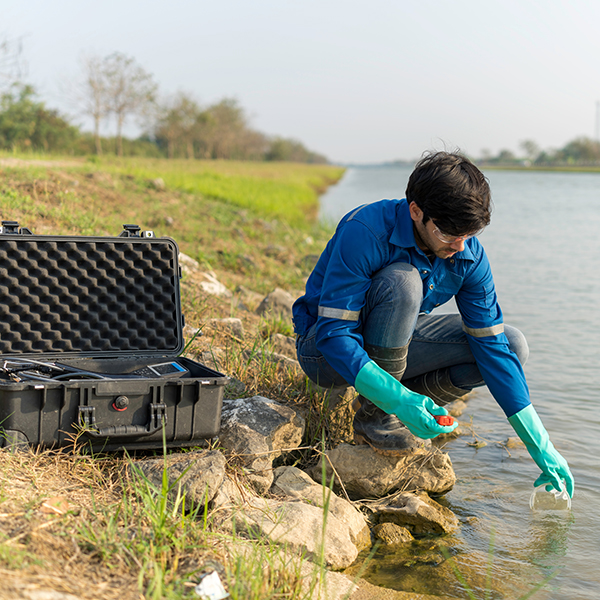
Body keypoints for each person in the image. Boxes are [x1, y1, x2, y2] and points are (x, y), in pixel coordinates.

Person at [292, 151, 574, 498]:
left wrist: (541, 445)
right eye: (448, 234)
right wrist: (396, 400)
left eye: (469, 235)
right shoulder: (365, 230)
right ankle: (378, 415)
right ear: (416, 212)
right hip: (324, 352)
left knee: (512, 345)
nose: (460, 247)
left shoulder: (467, 252)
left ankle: (401, 406)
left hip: (394, 345)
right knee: (403, 282)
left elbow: (493, 350)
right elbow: (333, 336)